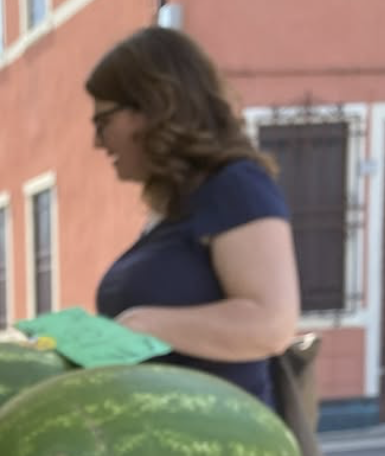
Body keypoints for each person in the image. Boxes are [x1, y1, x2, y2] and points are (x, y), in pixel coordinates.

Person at [86, 26, 300, 407]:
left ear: (151, 108)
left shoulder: (237, 186)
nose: (98, 142)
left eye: (103, 122)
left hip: (224, 436)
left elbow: (271, 323)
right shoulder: (178, 207)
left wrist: (143, 324)